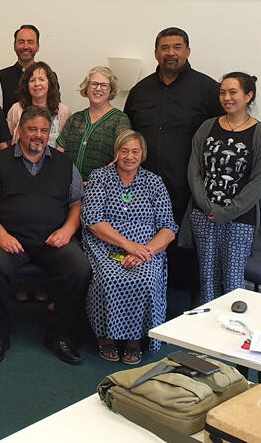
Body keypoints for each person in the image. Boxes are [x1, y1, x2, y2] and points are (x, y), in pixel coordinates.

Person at [0, 106, 90, 365]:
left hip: (53, 240)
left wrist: (68, 230)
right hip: (10, 238)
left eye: (44, 130)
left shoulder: (65, 164)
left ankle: (59, 336)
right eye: (32, 129)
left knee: (80, 268)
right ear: (19, 130)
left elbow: (76, 204)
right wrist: (1, 236)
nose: (38, 135)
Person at [124, 27, 223, 302]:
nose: (171, 53)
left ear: (188, 52)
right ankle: (148, 301)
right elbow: (127, 135)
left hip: (187, 187)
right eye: (165, 47)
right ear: (156, 53)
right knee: (145, 244)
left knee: (187, 252)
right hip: (143, 189)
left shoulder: (208, 89)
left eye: (177, 47)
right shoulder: (140, 90)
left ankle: (187, 308)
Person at [82, 130, 178, 364]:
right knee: (109, 277)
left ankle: (135, 340)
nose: (129, 156)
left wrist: (145, 251)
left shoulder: (154, 182)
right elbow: (93, 220)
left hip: (147, 250)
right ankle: (106, 337)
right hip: (106, 245)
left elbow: (168, 227)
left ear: (142, 155)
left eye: (135, 151)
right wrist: (129, 246)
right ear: (116, 153)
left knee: (145, 277)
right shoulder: (99, 177)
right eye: (124, 151)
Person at [181, 73, 261, 304]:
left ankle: (232, 334)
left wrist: (226, 212)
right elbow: (194, 169)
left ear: (248, 96)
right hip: (204, 215)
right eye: (222, 92)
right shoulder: (207, 126)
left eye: (233, 92)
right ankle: (206, 335)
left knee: (233, 283)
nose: (226, 97)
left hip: (240, 219)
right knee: (207, 279)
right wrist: (206, 206)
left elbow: (258, 182)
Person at [57, 66, 131, 181]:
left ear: (111, 90)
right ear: (86, 88)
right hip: (68, 185)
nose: (98, 88)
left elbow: (123, 155)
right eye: (94, 84)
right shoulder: (75, 118)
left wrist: (96, 182)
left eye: (104, 85)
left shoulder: (120, 120)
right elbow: (59, 151)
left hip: (101, 189)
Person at [6, 61, 70, 148]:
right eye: (32, 80)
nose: (37, 84)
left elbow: (65, 143)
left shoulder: (63, 111)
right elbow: (7, 140)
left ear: (49, 83)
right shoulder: (16, 109)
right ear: (26, 85)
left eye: (41, 79)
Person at [0, 24, 41, 114]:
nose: (25, 46)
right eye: (21, 42)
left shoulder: (49, 77)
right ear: (14, 46)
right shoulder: (0, 77)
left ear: (37, 47)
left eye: (30, 42)